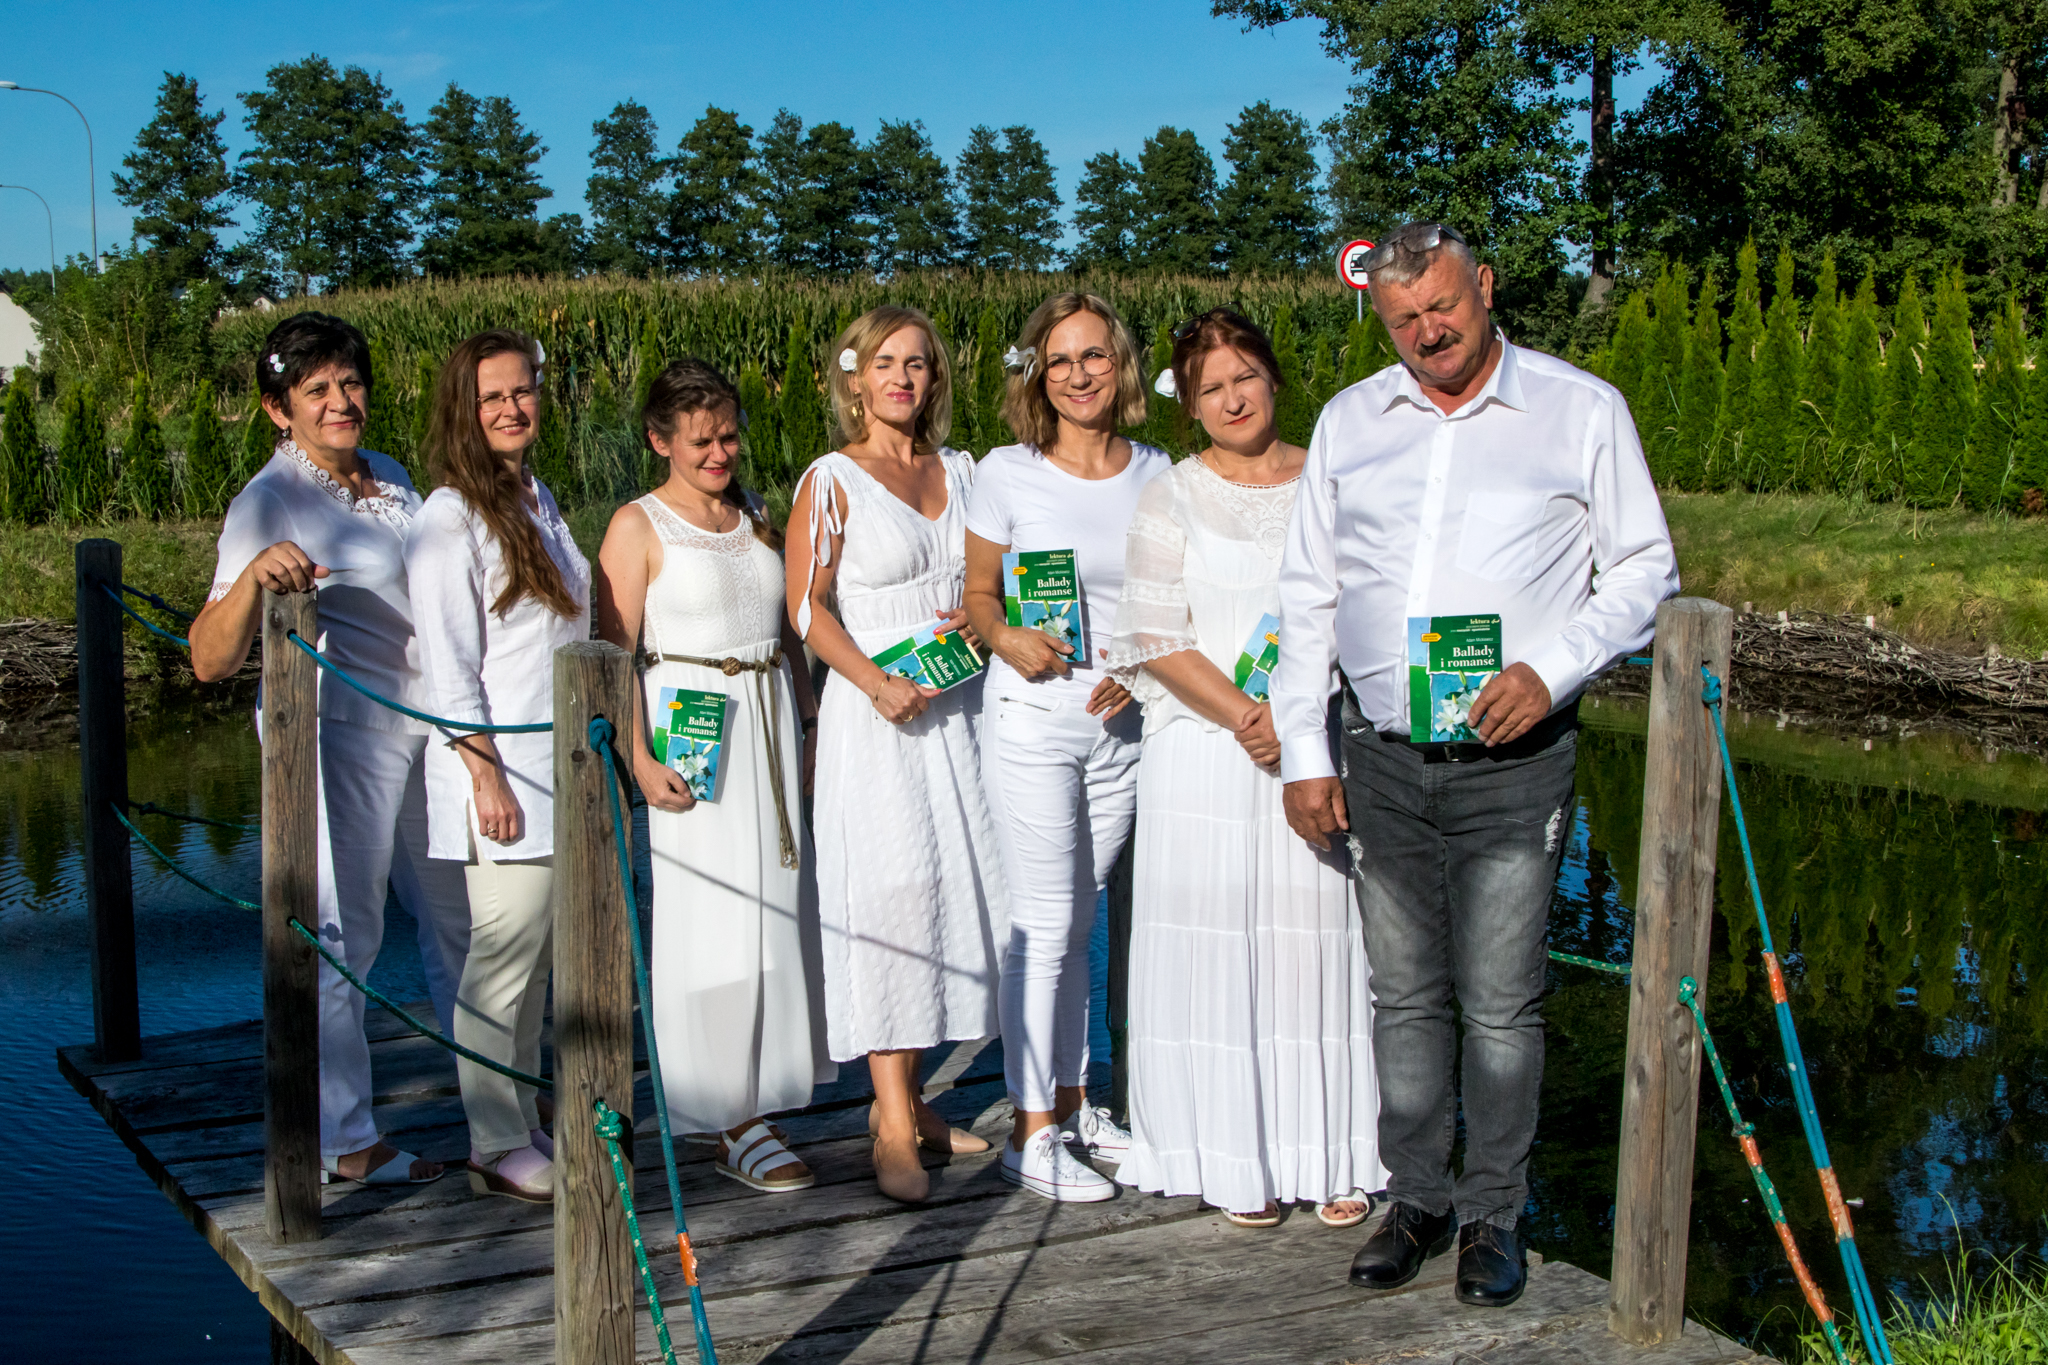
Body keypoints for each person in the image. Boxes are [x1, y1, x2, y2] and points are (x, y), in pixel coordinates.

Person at [1274, 223, 1679, 1306]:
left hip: (1513, 757)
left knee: (1500, 1003)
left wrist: (1549, 668)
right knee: (1401, 995)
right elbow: (1307, 593)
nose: (1426, 330)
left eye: (1441, 306)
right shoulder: (1351, 421)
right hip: (1380, 752)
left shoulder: (1576, 408)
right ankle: (1415, 1197)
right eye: (1402, 318)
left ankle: (1493, 1213)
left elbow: (1643, 566)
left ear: (1484, 286)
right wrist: (1303, 753)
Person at [1108, 308, 1386, 1228]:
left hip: (1313, 742)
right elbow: (1153, 635)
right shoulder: (1171, 494)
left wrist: (1302, 715)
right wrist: (1244, 715)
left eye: (1244, 377)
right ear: (1189, 406)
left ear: (1273, 378)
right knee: (1217, 940)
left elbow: (1368, 609)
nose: (1232, 398)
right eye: (1210, 387)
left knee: (1316, 939)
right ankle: (1233, 1154)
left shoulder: (1332, 479)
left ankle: (1331, 1145)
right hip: (1205, 745)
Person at [190, 312, 470, 1186]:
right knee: (341, 932)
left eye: (349, 382)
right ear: (280, 409)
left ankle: (497, 1098)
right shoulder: (268, 499)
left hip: (427, 727)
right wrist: (252, 576)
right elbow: (208, 657)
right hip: (335, 733)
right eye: (316, 390)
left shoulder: (388, 479)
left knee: (463, 920)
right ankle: (346, 1136)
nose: (341, 401)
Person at [788, 306, 1005, 1205]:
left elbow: (998, 577)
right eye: (886, 363)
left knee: (952, 888)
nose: (904, 379)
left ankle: (913, 1100)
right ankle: (884, 1116)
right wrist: (875, 682)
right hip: (875, 715)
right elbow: (806, 607)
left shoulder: (962, 470)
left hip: (954, 709)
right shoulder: (832, 479)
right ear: (855, 378)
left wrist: (979, 617)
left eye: (919, 363)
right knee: (888, 894)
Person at [598, 359, 831, 1196]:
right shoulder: (637, 526)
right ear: (660, 440)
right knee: (709, 917)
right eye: (700, 440)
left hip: (768, 719)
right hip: (692, 729)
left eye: (729, 434)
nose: (719, 452)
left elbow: (789, 631)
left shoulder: (757, 515)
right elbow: (610, 648)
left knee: (774, 911)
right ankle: (723, 1112)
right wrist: (636, 752)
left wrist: (808, 725)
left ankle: (759, 1095)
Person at [962, 292, 1171, 1203]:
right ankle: (1029, 1128)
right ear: (1037, 377)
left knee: (1083, 922)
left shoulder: (1159, 469)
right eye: (1060, 362)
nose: (1079, 375)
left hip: (1125, 722)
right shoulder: (1008, 471)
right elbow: (977, 596)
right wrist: (1007, 636)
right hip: (1033, 716)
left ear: (1119, 365)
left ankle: (1080, 1104)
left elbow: (1172, 600)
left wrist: (1150, 672)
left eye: (1094, 357)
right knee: (1044, 921)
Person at [406, 330, 589, 1203]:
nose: (512, 408)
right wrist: (484, 774)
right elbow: (449, 664)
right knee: (502, 958)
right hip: (506, 775)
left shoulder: (533, 497)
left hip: (559, 767)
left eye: (523, 393)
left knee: (537, 962)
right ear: (463, 411)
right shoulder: (449, 518)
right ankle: (490, 1138)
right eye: (493, 398)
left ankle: (520, 1115)